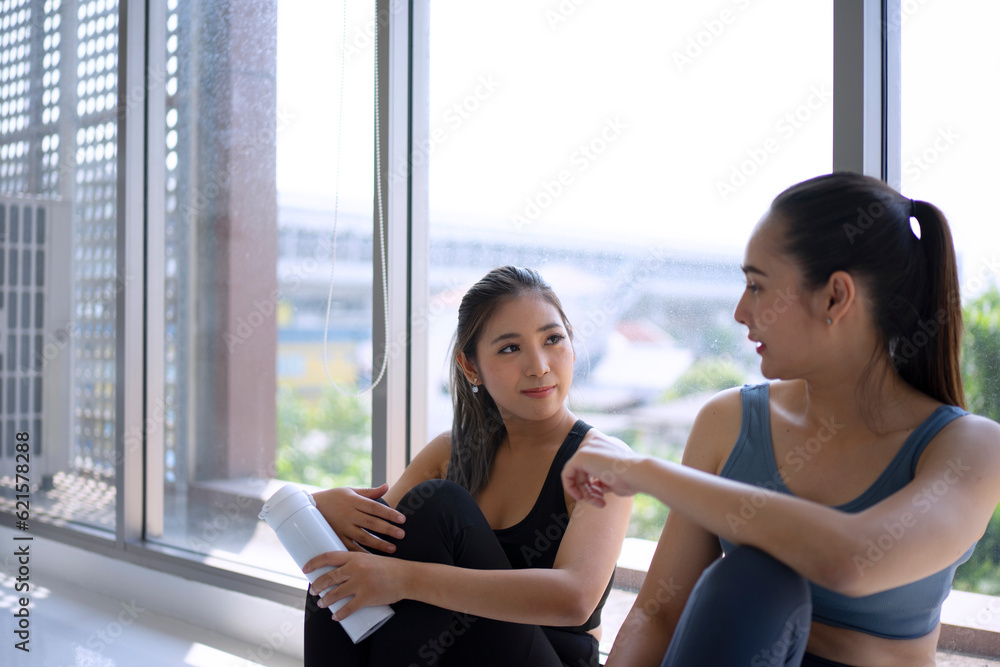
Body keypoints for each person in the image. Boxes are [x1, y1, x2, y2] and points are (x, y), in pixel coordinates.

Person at [560, 173, 1000, 667]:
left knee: (751, 577)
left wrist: (644, 472)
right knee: (749, 581)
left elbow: (853, 560)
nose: (740, 311)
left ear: (835, 297)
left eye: (757, 286)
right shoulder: (728, 421)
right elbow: (658, 617)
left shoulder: (969, 448)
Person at [302, 265, 632, 666]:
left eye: (553, 339)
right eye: (511, 348)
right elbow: (371, 557)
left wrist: (406, 581)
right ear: (471, 366)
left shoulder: (601, 461)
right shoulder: (449, 453)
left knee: (441, 505)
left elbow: (574, 600)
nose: (539, 365)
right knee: (345, 560)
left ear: (573, 345)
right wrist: (319, 512)